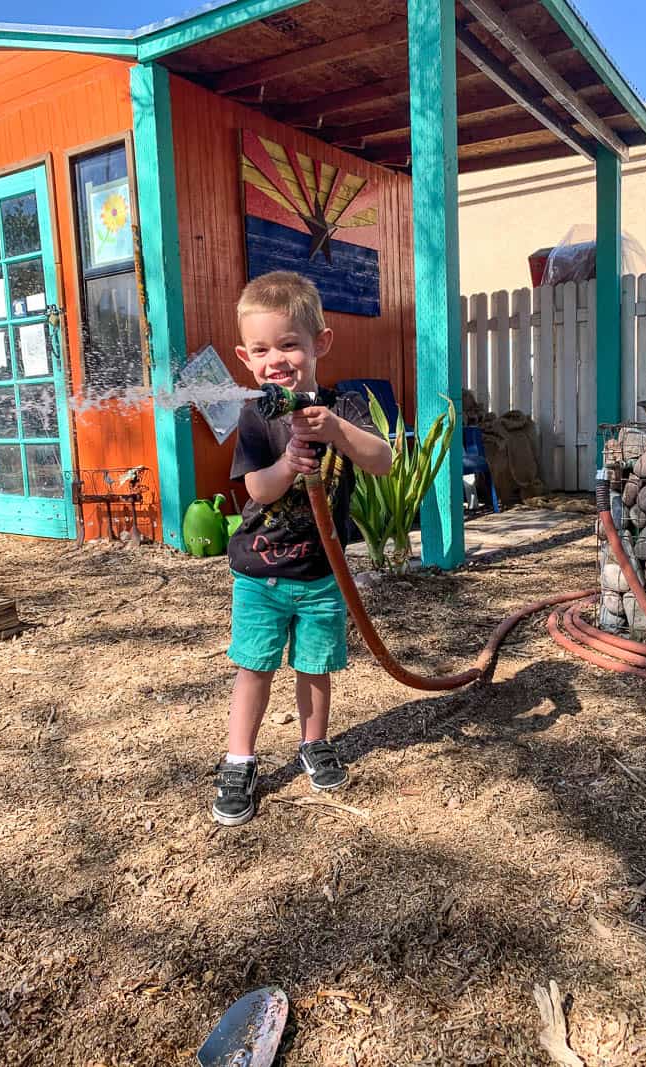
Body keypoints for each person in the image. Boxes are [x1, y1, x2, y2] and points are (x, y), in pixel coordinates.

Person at [213, 271, 393, 826]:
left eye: (290, 344)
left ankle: (314, 742)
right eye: (262, 349)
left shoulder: (346, 406)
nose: (277, 360)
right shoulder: (256, 416)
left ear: (321, 344)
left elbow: (381, 459)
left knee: (315, 668)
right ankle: (239, 758)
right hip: (261, 576)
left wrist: (336, 429)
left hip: (322, 576)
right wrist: (290, 463)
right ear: (246, 358)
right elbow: (256, 489)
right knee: (255, 667)